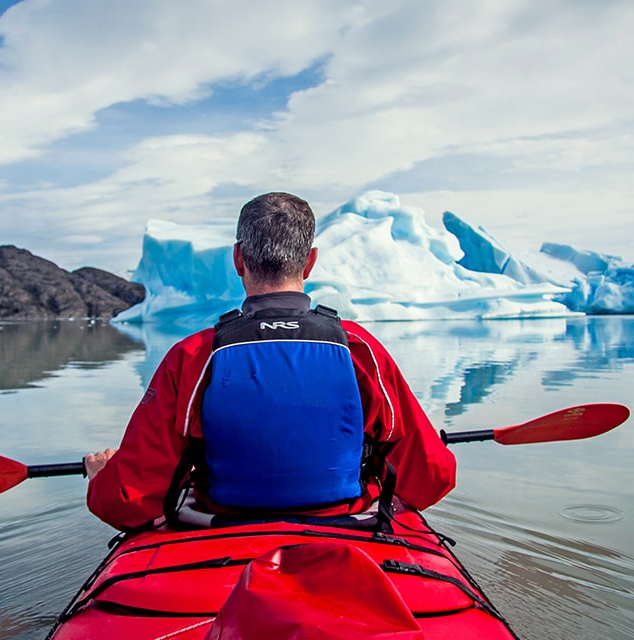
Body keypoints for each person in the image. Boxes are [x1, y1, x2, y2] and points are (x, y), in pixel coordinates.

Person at [85, 192, 455, 531]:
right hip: (345, 528)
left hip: (220, 532)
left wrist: (104, 475)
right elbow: (433, 476)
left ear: (237, 260)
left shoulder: (194, 356)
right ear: (310, 262)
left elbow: (125, 502)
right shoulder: (360, 350)